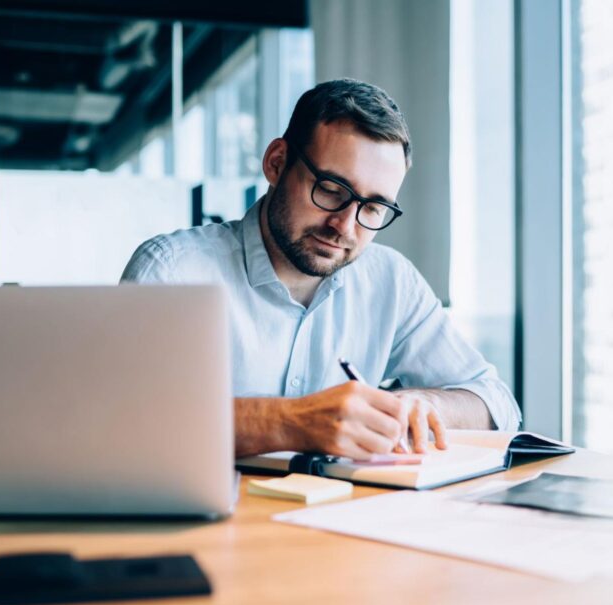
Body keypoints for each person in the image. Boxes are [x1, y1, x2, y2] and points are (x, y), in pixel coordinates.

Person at [121, 79, 520, 460]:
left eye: (373, 208)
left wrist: (422, 404)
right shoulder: (173, 270)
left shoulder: (391, 280)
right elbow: (122, 420)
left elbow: (497, 403)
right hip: (210, 524)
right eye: (330, 190)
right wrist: (293, 423)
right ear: (277, 163)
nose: (345, 226)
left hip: (342, 523)